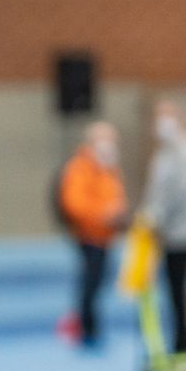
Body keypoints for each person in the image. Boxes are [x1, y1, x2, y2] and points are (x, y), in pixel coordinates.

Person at [141, 100, 186, 353]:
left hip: (180, 232)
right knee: (177, 293)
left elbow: (176, 194)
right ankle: (182, 339)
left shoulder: (184, 151)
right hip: (176, 230)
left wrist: (155, 218)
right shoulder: (170, 152)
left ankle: (183, 342)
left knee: (181, 291)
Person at [57, 121, 128, 347]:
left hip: (107, 235)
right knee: (89, 284)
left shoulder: (109, 167)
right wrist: (101, 215)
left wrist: (118, 213)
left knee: (99, 283)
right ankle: (87, 329)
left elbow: (116, 196)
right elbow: (74, 203)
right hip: (89, 236)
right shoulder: (80, 167)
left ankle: (93, 327)